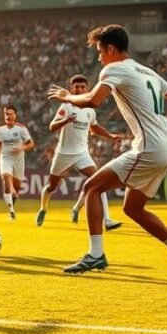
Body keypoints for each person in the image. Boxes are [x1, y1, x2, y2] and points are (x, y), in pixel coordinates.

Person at [47, 24, 167, 279]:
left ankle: (96, 254)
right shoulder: (147, 71)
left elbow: (93, 100)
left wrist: (66, 97)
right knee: (133, 209)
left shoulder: (114, 68)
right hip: (166, 148)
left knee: (91, 188)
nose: (98, 57)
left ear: (110, 48)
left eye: (99, 51)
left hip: (149, 148)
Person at [35, 74, 123, 231]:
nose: (80, 89)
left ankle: (107, 220)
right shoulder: (66, 107)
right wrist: (66, 121)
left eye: (82, 87)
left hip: (82, 153)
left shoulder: (90, 110)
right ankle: (43, 208)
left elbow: (94, 128)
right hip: (63, 154)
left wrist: (110, 136)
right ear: (71, 89)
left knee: (99, 181)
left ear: (87, 88)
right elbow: (52, 126)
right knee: (51, 186)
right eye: (77, 87)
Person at [0, 105, 34, 220]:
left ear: (15, 115)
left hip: (19, 160)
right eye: (6, 114)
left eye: (10, 114)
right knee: (6, 178)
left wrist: (21, 148)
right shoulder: (0, 130)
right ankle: (11, 210)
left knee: (16, 188)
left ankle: (13, 197)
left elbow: (31, 144)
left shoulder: (21, 129)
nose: (8, 116)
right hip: (6, 158)